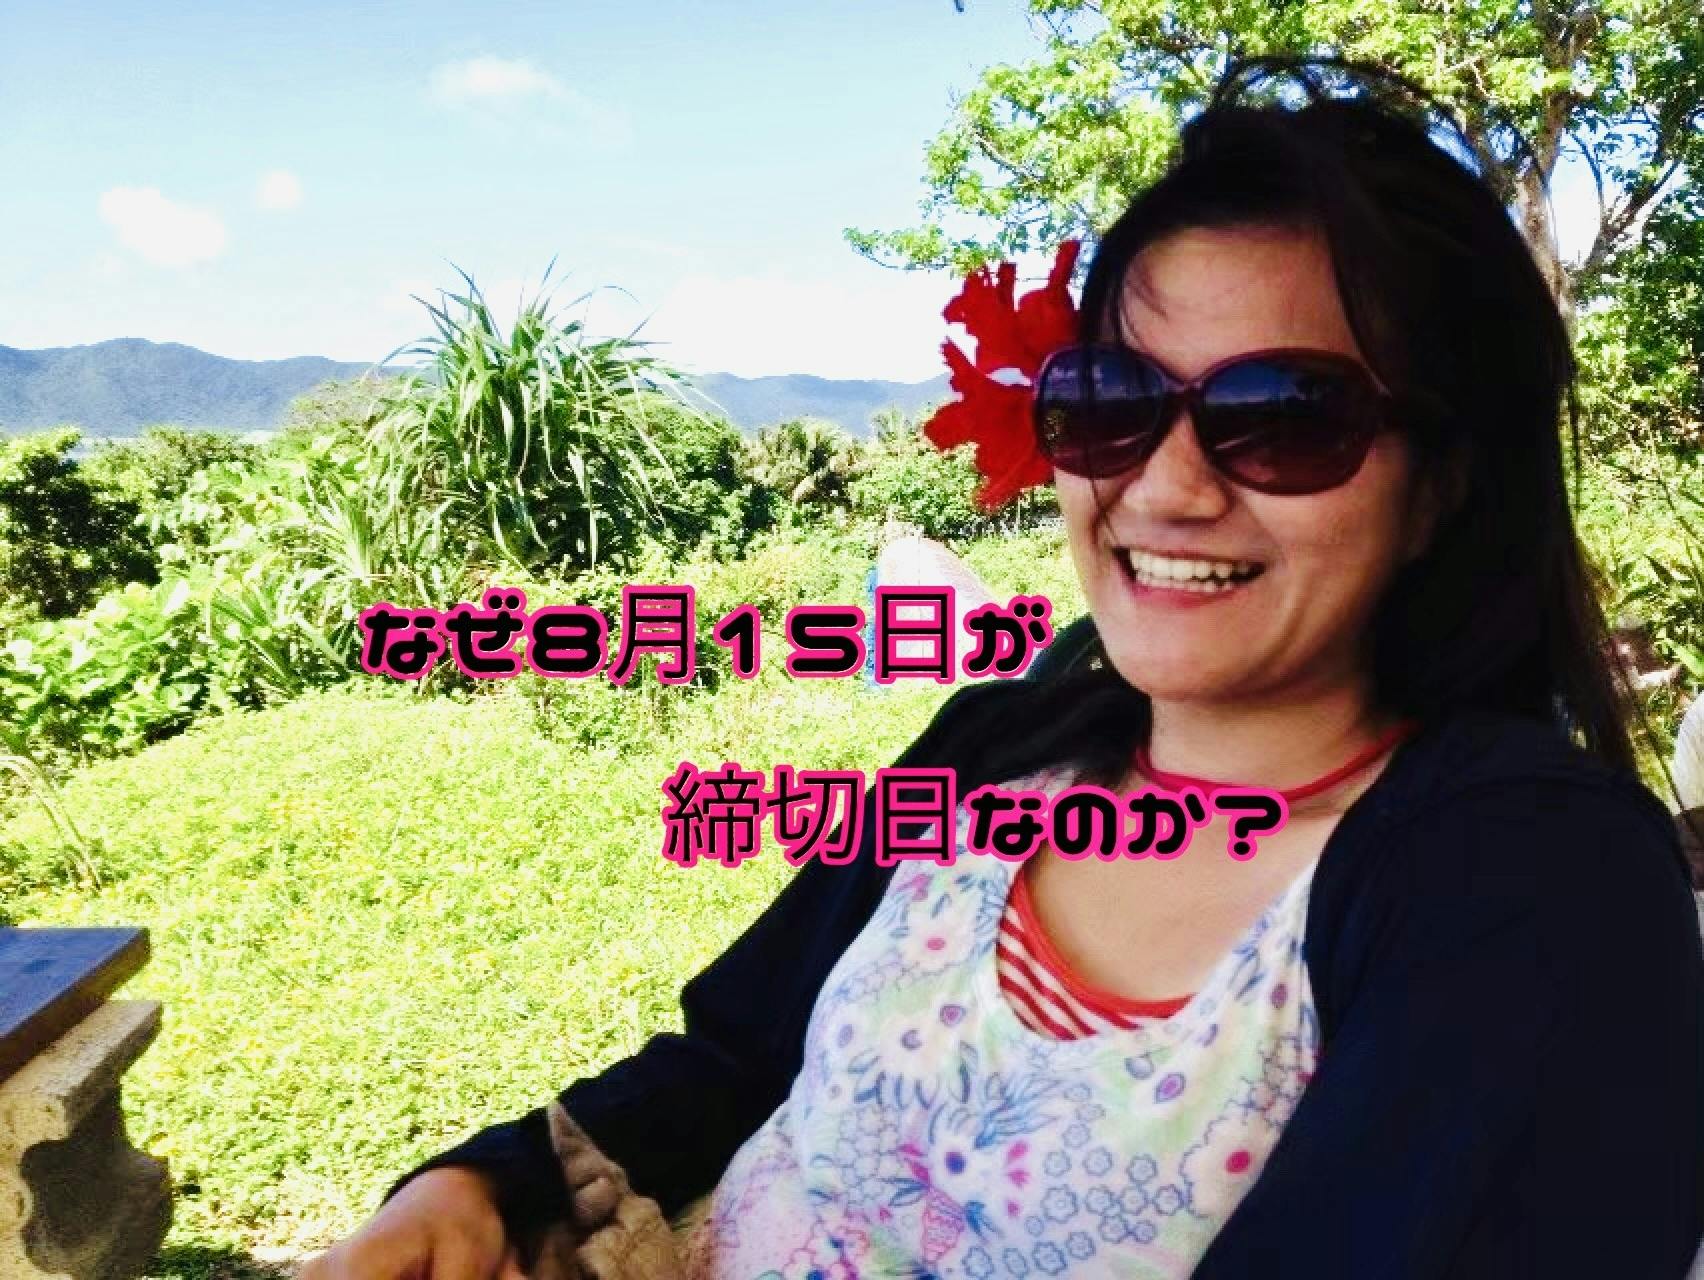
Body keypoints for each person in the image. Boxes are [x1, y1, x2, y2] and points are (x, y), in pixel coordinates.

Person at [302, 58, 1704, 1279]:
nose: (1166, 489)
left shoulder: (1534, 888)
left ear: (1444, 483)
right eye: (1114, 403)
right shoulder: (992, 749)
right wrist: (478, 1188)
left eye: (1283, 417)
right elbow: (734, 1061)